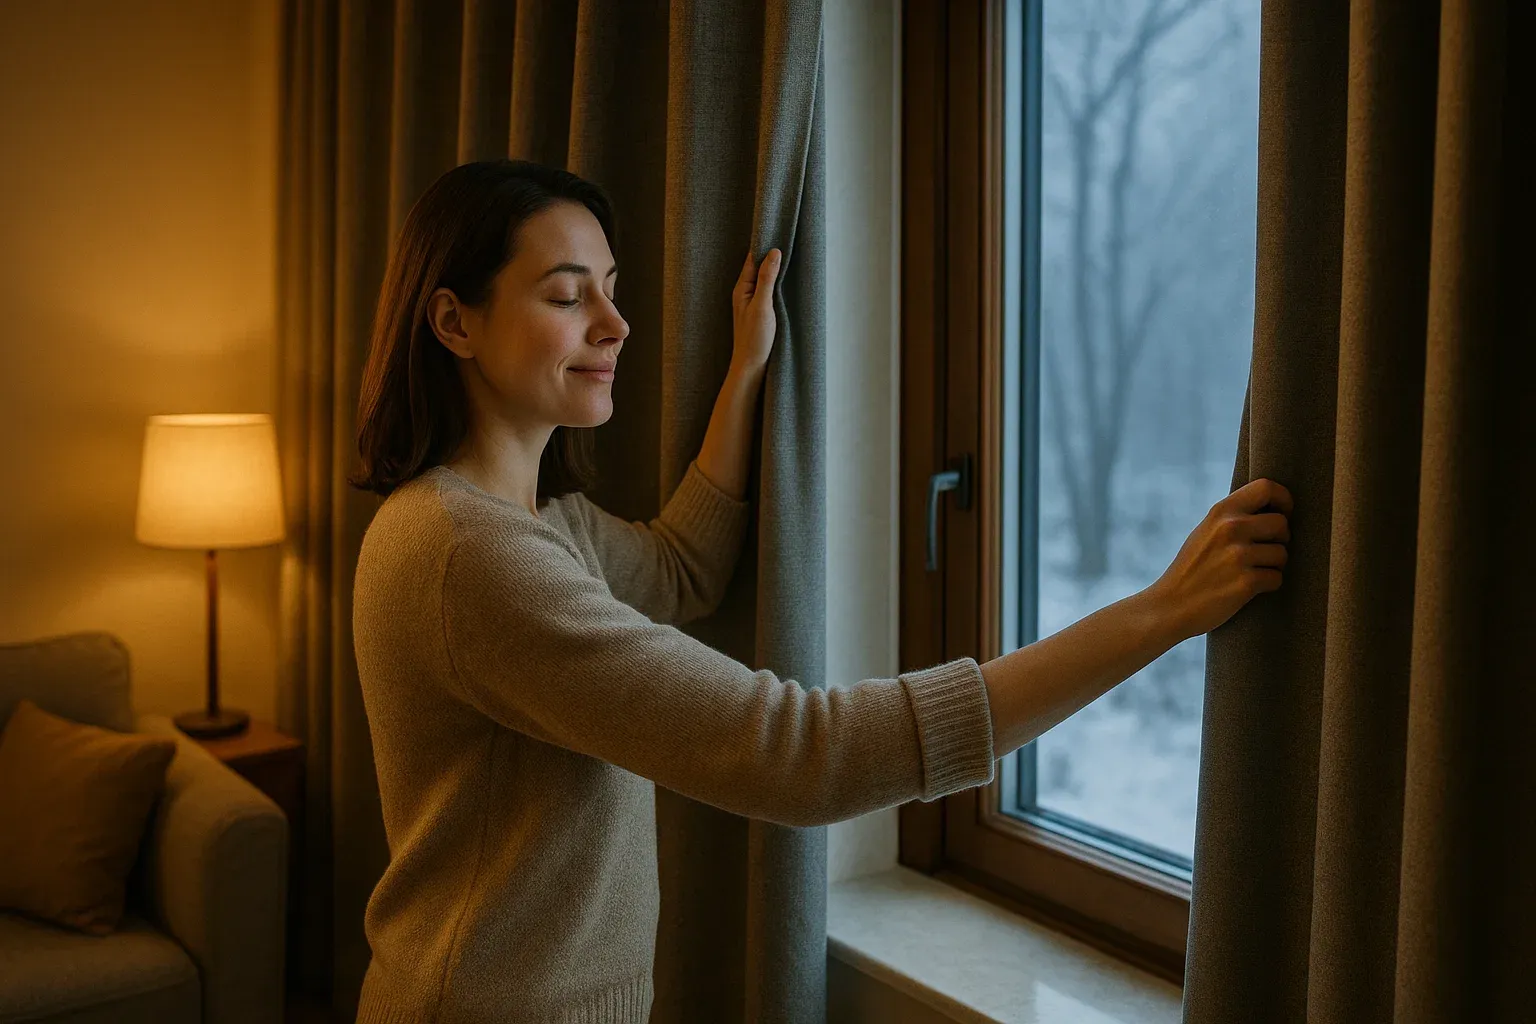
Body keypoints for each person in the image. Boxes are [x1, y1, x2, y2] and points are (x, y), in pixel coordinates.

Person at [347, 159, 1292, 1023]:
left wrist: (748, 374)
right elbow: (803, 757)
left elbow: (683, 568)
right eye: (566, 295)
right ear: (453, 322)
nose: (615, 324)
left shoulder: (546, 526)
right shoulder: (467, 557)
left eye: (613, 289)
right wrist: (1159, 612)